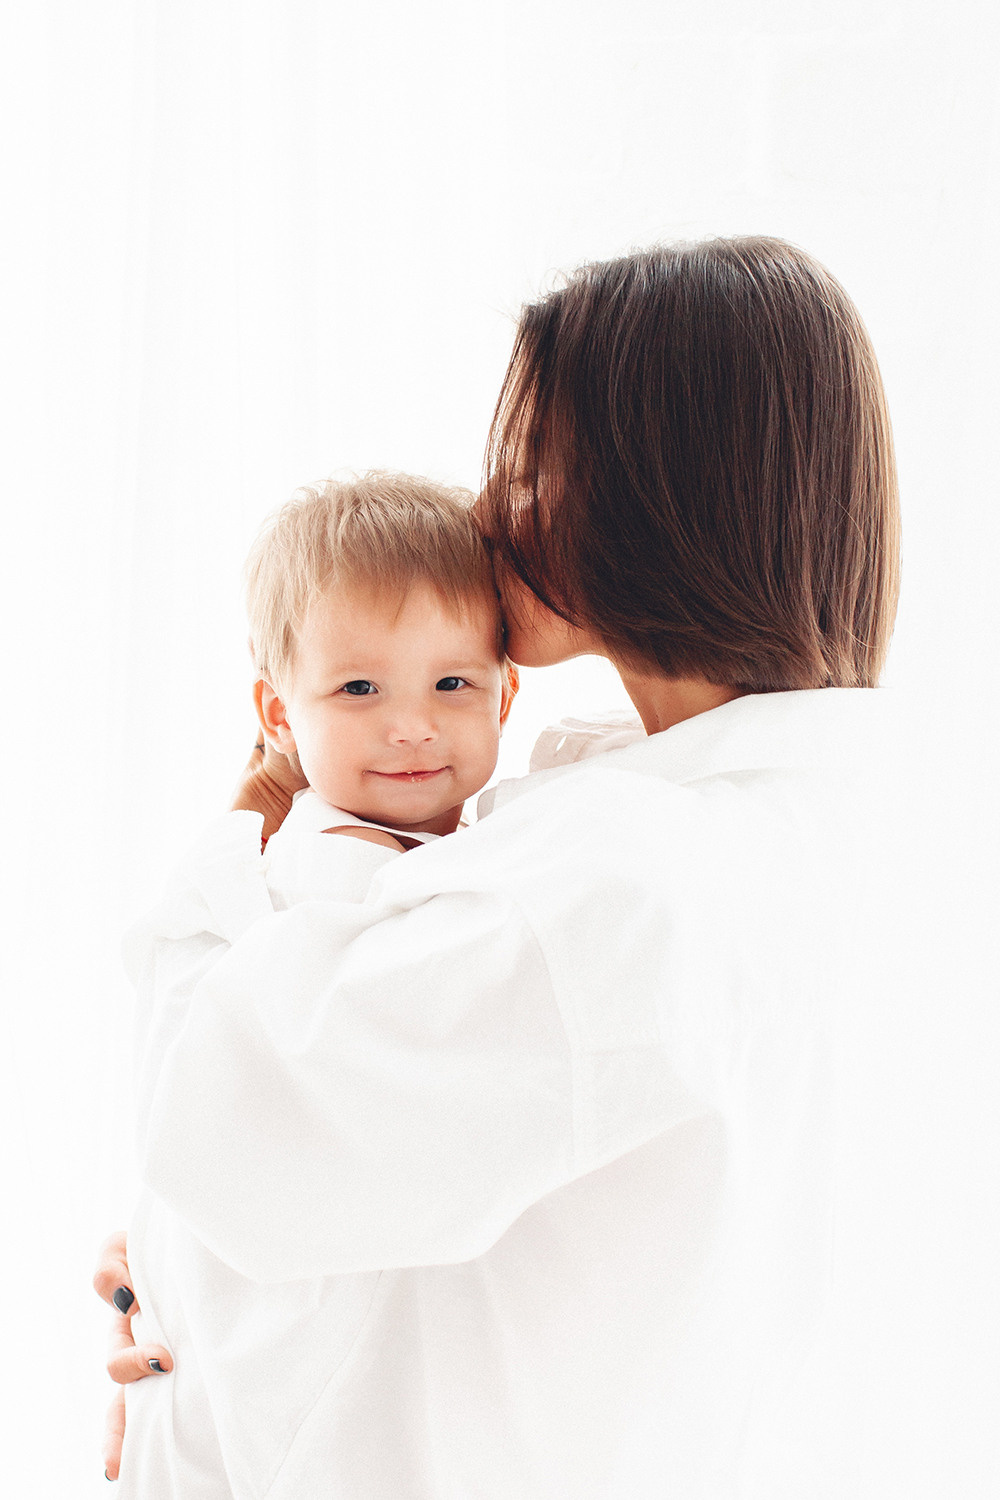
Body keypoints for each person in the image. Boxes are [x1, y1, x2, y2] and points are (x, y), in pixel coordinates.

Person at [96, 236, 913, 1496]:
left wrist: (249, 817)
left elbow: (217, 1127)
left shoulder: (615, 882)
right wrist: (181, 1277)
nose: (488, 511)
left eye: (532, 463)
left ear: (661, 493)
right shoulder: (773, 812)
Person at [108, 471, 521, 1495]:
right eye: (360, 690)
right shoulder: (341, 872)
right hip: (287, 1361)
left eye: (453, 685)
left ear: (508, 692)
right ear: (277, 710)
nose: (414, 726)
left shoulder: (452, 852)